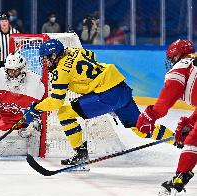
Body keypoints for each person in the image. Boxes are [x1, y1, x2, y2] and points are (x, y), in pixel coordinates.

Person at [23, 39, 173, 166]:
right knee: (141, 128)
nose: (45, 62)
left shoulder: (60, 72)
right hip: (120, 88)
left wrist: (36, 109)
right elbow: (91, 55)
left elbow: (56, 102)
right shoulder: (75, 50)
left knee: (64, 114)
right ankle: (179, 139)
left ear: (55, 56)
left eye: (46, 58)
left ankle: (80, 154)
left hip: (106, 96)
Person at [136, 39, 197, 196]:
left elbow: (169, 96)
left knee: (193, 142)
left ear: (177, 56)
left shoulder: (182, 66)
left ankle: (180, 179)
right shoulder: (193, 63)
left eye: (172, 58)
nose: (171, 62)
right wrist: (191, 123)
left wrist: (151, 114)